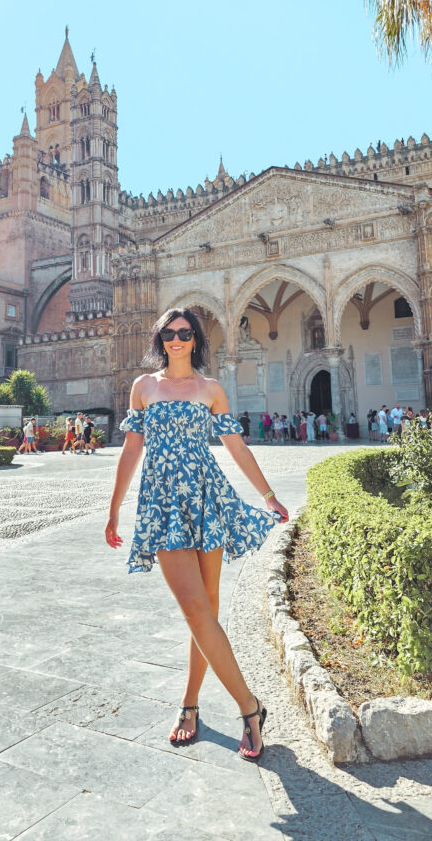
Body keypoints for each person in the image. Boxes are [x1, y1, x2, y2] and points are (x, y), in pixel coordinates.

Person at [106, 308, 288, 761]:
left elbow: (235, 446)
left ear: (196, 339)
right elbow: (132, 450)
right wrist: (114, 511)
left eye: (184, 333)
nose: (176, 340)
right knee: (194, 608)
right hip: (163, 503)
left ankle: (189, 705)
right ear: (159, 339)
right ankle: (250, 707)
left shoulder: (211, 390)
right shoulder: (143, 388)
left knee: (205, 611)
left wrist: (268, 495)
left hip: (206, 498)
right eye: (168, 334)